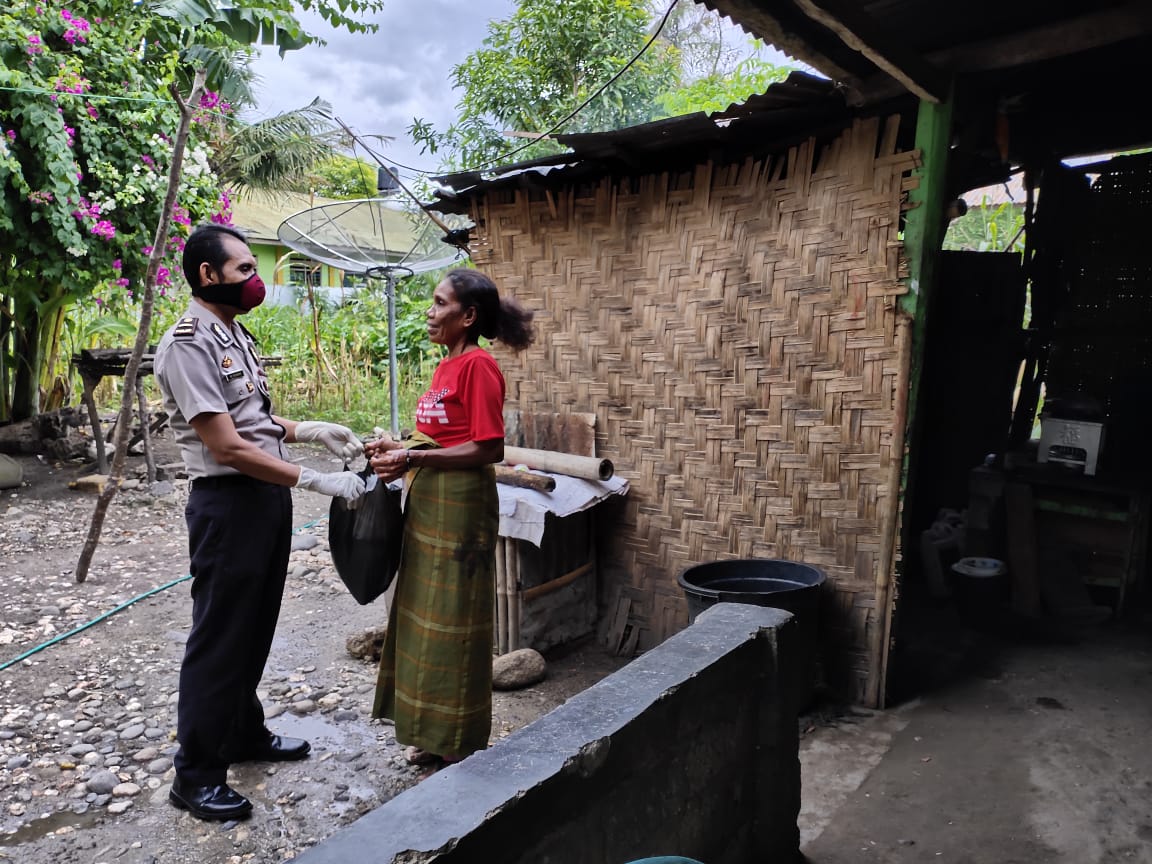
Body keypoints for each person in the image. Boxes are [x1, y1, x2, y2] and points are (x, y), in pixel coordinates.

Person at [155, 223, 368, 821]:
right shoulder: (188, 342)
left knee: (255, 626)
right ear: (208, 275)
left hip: (264, 496)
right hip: (229, 503)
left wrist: (312, 431)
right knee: (220, 638)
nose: (257, 280)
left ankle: (243, 732)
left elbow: (254, 423)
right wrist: (315, 479)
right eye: (245, 269)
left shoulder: (232, 333)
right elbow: (226, 447)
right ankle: (195, 774)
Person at [367, 268, 535, 767]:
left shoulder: (479, 366)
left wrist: (413, 459)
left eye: (440, 303)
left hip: (460, 508)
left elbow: (487, 447)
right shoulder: (446, 366)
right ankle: (431, 731)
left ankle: (458, 738)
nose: (430, 311)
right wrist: (399, 447)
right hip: (429, 501)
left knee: (455, 621)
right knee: (425, 616)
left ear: (468, 316)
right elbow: (440, 437)